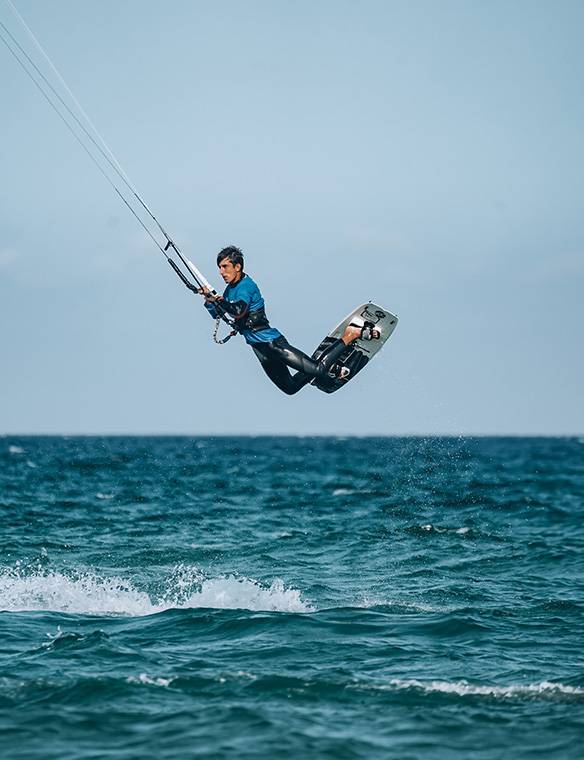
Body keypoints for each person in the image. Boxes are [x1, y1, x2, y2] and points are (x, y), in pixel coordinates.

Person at [199, 246, 377, 395]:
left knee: (318, 370)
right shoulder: (230, 290)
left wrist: (218, 300)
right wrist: (209, 302)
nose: (221, 272)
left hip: (272, 343)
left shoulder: (246, 286)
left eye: (225, 267)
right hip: (261, 350)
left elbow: (239, 310)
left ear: (237, 267)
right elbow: (219, 314)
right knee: (290, 388)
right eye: (219, 268)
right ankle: (324, 365)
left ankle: (350, 335)